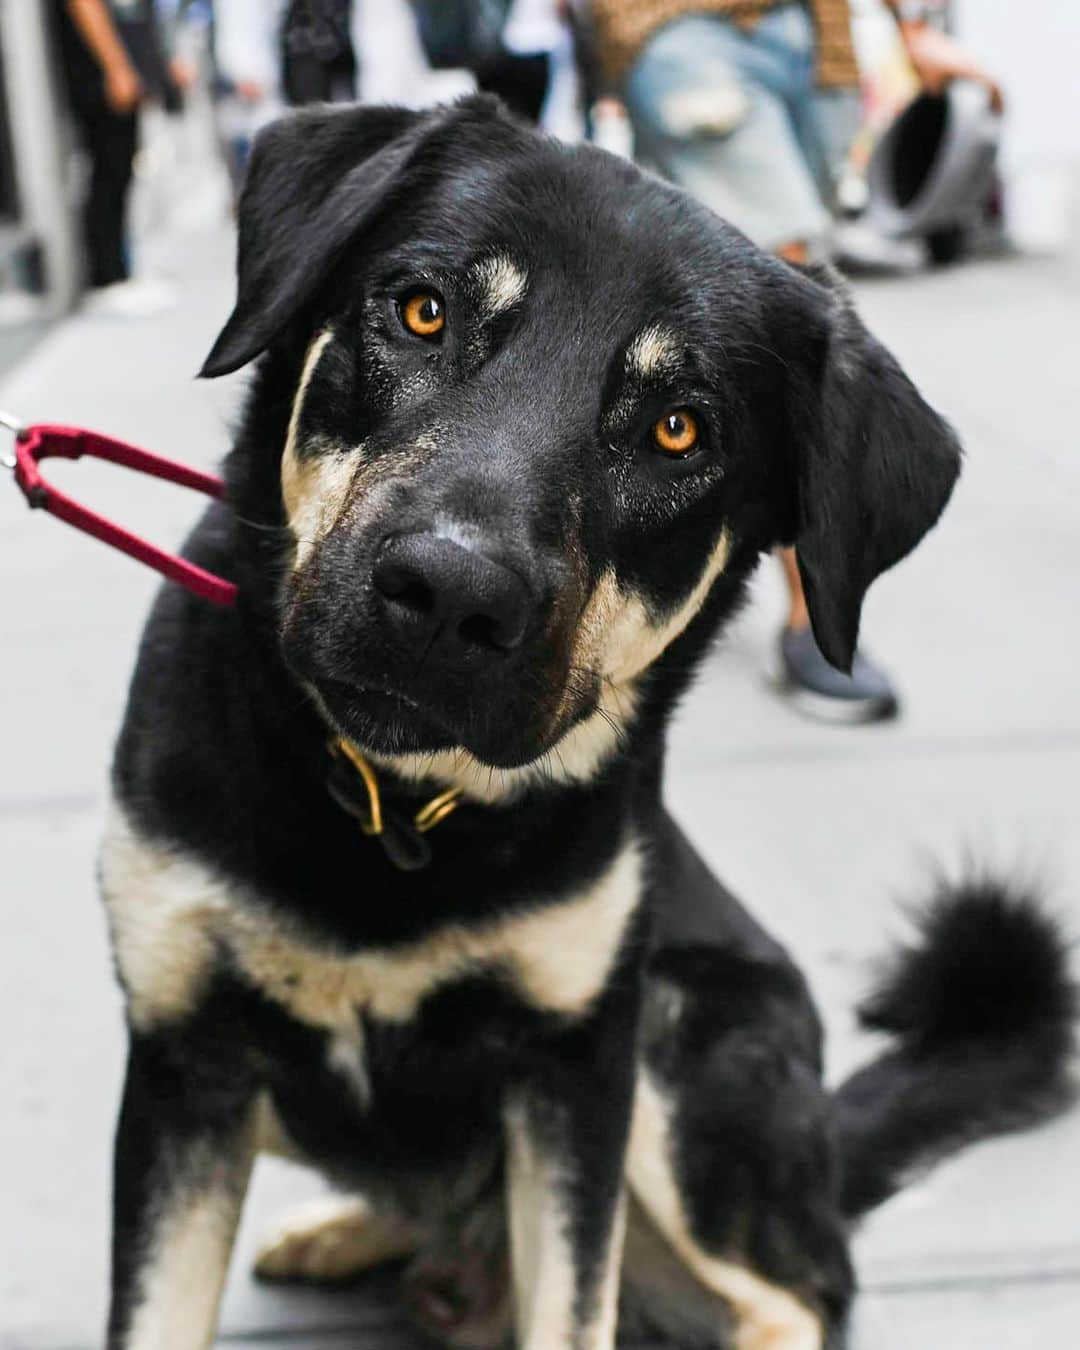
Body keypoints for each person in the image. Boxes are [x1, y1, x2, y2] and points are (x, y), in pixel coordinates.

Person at [586, 0, 1000, 722]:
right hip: (682, 32)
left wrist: (911, 29)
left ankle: (645, 535)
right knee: (784, 301)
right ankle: (812, 614)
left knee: (731, 295)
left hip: (818, 41)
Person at [52, 0, 179, 315]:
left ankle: (120, 270)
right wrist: (117, 68)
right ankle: (107, 278)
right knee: (109, 170)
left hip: (114, 70)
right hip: (98, 75)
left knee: (120, 169)